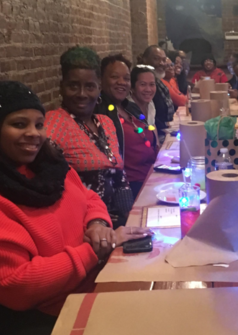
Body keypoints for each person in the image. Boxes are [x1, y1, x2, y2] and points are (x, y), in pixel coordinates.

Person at [0, 81, 149, 335]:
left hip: (85, 295)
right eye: (19, 124)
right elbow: (18, 283)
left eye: (38, 124)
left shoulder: (50, 166)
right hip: (36, 323)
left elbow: (87, 197)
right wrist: (93, 251)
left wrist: (98, 223)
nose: (33, 134)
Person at [46, 47, 133, 228]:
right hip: (86, 227)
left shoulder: (106, 122)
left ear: (99, 88)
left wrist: (131, 219)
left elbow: (120, 178)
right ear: (61, 87)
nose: (82, 94)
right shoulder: (55, 123)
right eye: (73, 86)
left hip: (117, 223)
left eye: (90, 86)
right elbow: (48, 186)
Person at [115, 65, 159, 199]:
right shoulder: (128, 110)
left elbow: (153, 132)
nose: (148, 89)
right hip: (135, 180)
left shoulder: (150, 105)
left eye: (152, 84)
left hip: (150, 169)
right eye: (143, 84)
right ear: (132, 88)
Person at [142, 45, 174, 139]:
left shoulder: (158, 81)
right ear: (145, 60)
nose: (161, 63)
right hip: (152, 136)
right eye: (156, 59)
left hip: (164, 131)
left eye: (164, 60)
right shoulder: (142, 83)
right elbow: (146, 117)